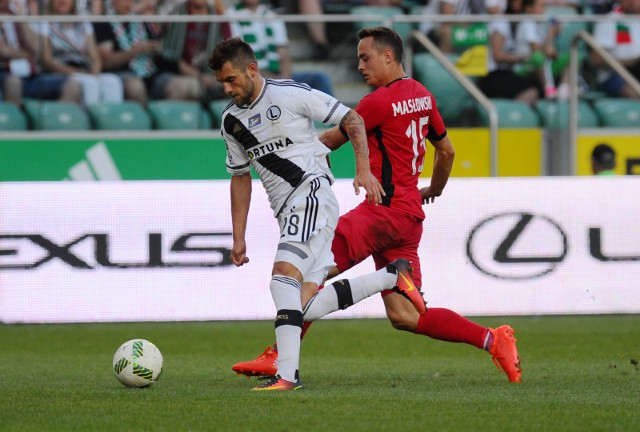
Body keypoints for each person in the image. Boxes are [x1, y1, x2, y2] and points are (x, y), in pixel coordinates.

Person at [231, 27, 522, 384]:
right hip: (410, 215)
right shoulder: (423, 97)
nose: (359, 66)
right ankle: (494, 341)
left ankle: (278, 358)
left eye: (365, 58)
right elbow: (446, 151)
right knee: (407, 315)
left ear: (388, 56)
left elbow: (329, 140)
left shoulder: (376, 102)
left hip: (379, 212)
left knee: (309, 273)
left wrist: (288, 152)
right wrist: (433, 188)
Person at [209, 36, 427, 391]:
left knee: (282, 279)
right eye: (221, 82)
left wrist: (363, 168)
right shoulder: (231, 121)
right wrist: (238, 236)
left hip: (310, 195)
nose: (227, 88)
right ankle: (391, 277)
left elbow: (352, 119)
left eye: (231, 79)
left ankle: (287, 376)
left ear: (252, 69)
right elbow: (240, 178)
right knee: (302, 305)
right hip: (288, 209)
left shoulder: (289, 94)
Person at [225, 0, 334, 96]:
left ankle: (333, 118)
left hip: (278, 76)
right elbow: (238, 60)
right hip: (252, 79)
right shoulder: (229, 17)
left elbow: (284, 53)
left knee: (320, 79)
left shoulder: (272, 16)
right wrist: (269, 79)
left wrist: (284, 79)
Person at [40, 0, 124, 107]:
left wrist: (95, 70)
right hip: (63, 70)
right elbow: (47, 60)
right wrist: (78, 72)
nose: (62, 1)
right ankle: (88, 120)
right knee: (89, 83)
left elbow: (94, 57)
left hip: (84, 68)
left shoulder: (83, 23)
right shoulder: (46, 23)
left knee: (112, 81)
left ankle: (111, 120)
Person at [1, 0, 82, 106]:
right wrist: (28, 54)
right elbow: (3, 51)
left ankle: (56, 120)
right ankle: (16, 121)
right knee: (14, 82)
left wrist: (22, 19)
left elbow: (36, 48)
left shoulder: (19, 14)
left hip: (32, 76)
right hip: (6, 73)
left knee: (73, 85)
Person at [159, 0, 229, 105]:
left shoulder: (219, 17)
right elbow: (170, 58)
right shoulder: (176, 15)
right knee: (180, 87)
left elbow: (228, 53)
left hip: (213, 75)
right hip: (180, 75)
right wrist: (200, 76)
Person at [477, 0, 541, 106]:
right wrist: (523, 58)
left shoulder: (514, 24)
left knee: (537, 85)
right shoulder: (500, 22)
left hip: (506, 73)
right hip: (493, 76)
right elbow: (497, 55)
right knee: (531, 91)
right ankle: (513, 115)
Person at [591, 0, 640, 99]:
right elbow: (596, 59)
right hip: (614, 75)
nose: (632, 2)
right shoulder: (610, 20)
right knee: (633, 92)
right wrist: (633, 62)